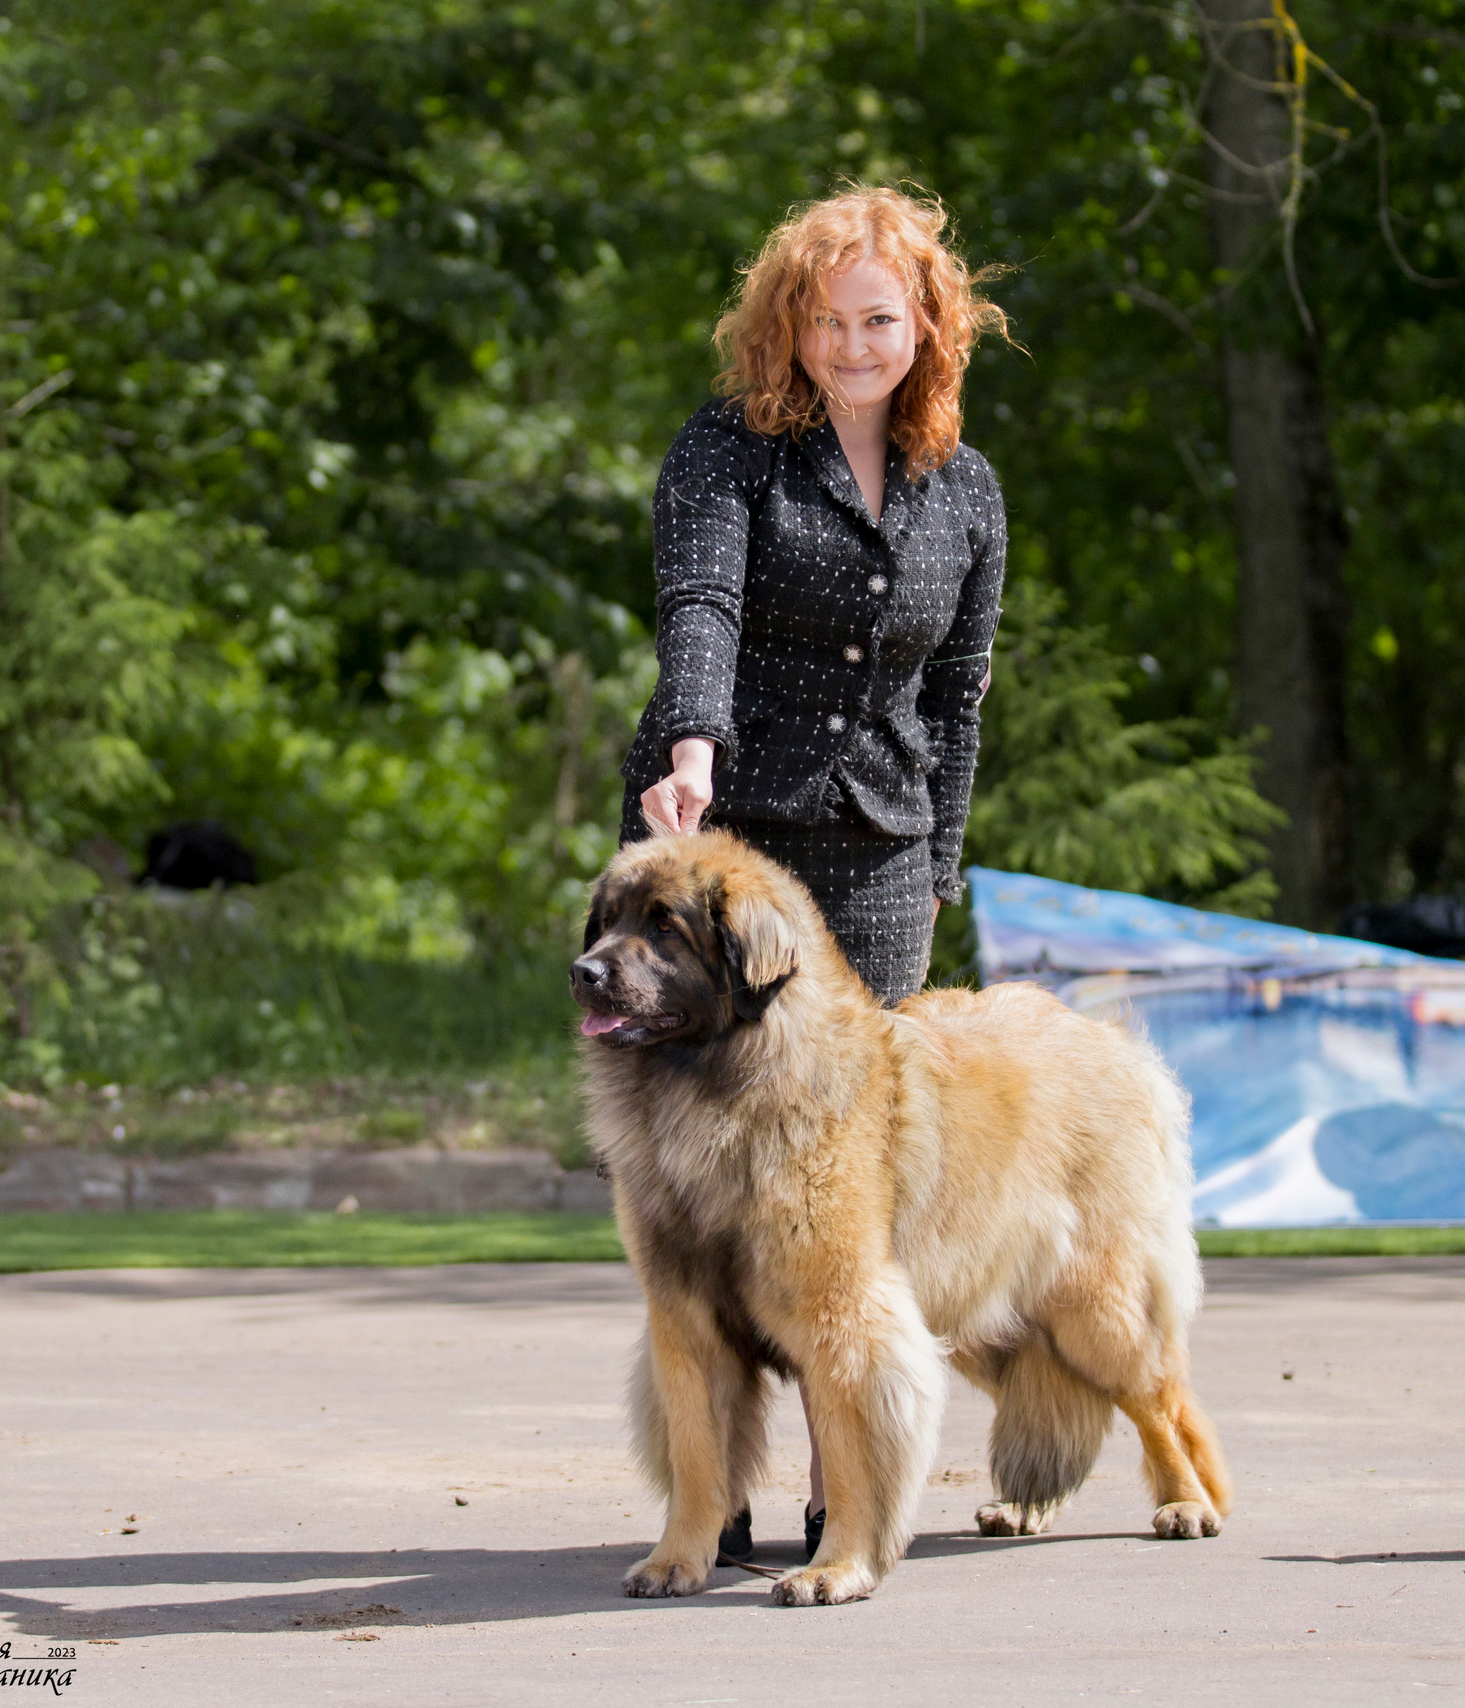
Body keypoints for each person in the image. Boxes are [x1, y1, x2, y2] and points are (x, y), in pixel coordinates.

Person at [617, 186, 1010, 1559]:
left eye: (880, 319)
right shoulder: (726, 451)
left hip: (888, 858)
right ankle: (706, 1489)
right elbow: (702, 605)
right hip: (732, 840)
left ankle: (852, 1480)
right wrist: (696, 744)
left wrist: (943, 855)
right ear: (786, 323)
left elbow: (960, 692)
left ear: (926, 328)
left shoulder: (966, 487)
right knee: (695, 1189)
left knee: (849, 1196)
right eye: (827, 318)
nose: (852, 343)